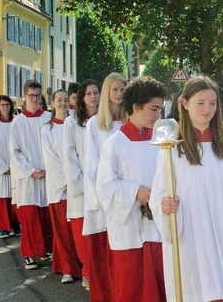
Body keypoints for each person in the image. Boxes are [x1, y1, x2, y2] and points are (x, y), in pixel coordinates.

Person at [150, 76, 223, 302]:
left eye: (213, 103)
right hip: (193, 237)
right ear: (185, 103)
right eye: (200, 102)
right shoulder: (172, 148)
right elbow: (159, 195)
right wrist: (164, 205)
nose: (208, 109)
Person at [96, 76, 166, 301]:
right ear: (136, 107)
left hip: (158, 227)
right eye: (154, 109)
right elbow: (105, 186)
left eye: (160, 110)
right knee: (131, 288)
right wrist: (136, 191)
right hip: (128, 231)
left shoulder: (162, 142)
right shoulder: (115, 144)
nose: (158, 116)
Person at [83, 72, 126, 301]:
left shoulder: (132, 121)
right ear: (107, 91)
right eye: (115, 89)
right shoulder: (94, 125)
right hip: (104, 200)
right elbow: (91, 165)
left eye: (122, 90)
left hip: (128, 196)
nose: (119, 94)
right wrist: (100, 199)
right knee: (104, 258)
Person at [9, 80, 53, 270]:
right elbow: (14, 151)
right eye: (31, 96)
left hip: (50, 175)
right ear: (24, 97)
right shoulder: (17, 122)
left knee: (47, 216)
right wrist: (30, 171)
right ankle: (30, 254)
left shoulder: (49, 118)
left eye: (37, 95)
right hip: (28, 177)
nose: (34, 99)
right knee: (29, 217)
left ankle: (49, 249)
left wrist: (50, 168)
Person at [42, 89, 82, 284]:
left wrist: (77, 179)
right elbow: (51, 160)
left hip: (77, 185)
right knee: (63, 231)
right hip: (60, 189)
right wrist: (67, 182)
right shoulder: (47, 129)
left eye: (66, 100)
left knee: (78, 231)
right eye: (59, 100)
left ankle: (82, 265)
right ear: (52, 102)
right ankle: (68, 268)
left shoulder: (75, 123)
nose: (63, 103)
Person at [63, 79, 100, 290]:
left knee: (100, 236)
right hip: (82, 189)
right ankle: (87, 274)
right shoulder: (72, 122)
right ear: (81, 98)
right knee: (83, 236)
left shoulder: (106, 120)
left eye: (96, 92)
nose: (93, 97)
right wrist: (83, 184)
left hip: (103, 187)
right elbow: (69, 157)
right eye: (88, 94)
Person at [0, 95, 18, 239]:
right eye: (2, 105)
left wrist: (16, 166)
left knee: (15, 198)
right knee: (2, 199)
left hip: (16, 166)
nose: (5, 107)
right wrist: (4, 167)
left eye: (7, 104)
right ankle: (4, 227)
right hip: (0, 168)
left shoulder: (17, 122)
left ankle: (16, 225)